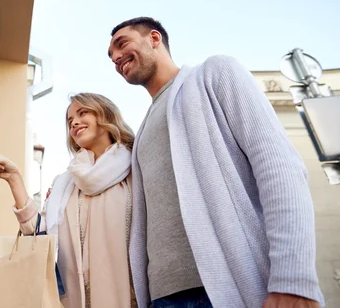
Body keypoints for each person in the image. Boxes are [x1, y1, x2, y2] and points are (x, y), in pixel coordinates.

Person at [107, 16, 324, 308]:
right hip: (162, 297)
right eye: (111, 56)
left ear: (154, 39)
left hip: (227, 289)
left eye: (121, 44)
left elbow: (279, 168)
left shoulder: (214, 74)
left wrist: (293, 279)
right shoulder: (143, 131)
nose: (116, 57)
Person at [0, 93, 137, 308]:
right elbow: (38, 235)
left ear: (106, 115)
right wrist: (14, 179)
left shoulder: (136, 170)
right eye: (70, 121)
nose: (75, 123)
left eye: (83, 113)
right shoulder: (66, 184)